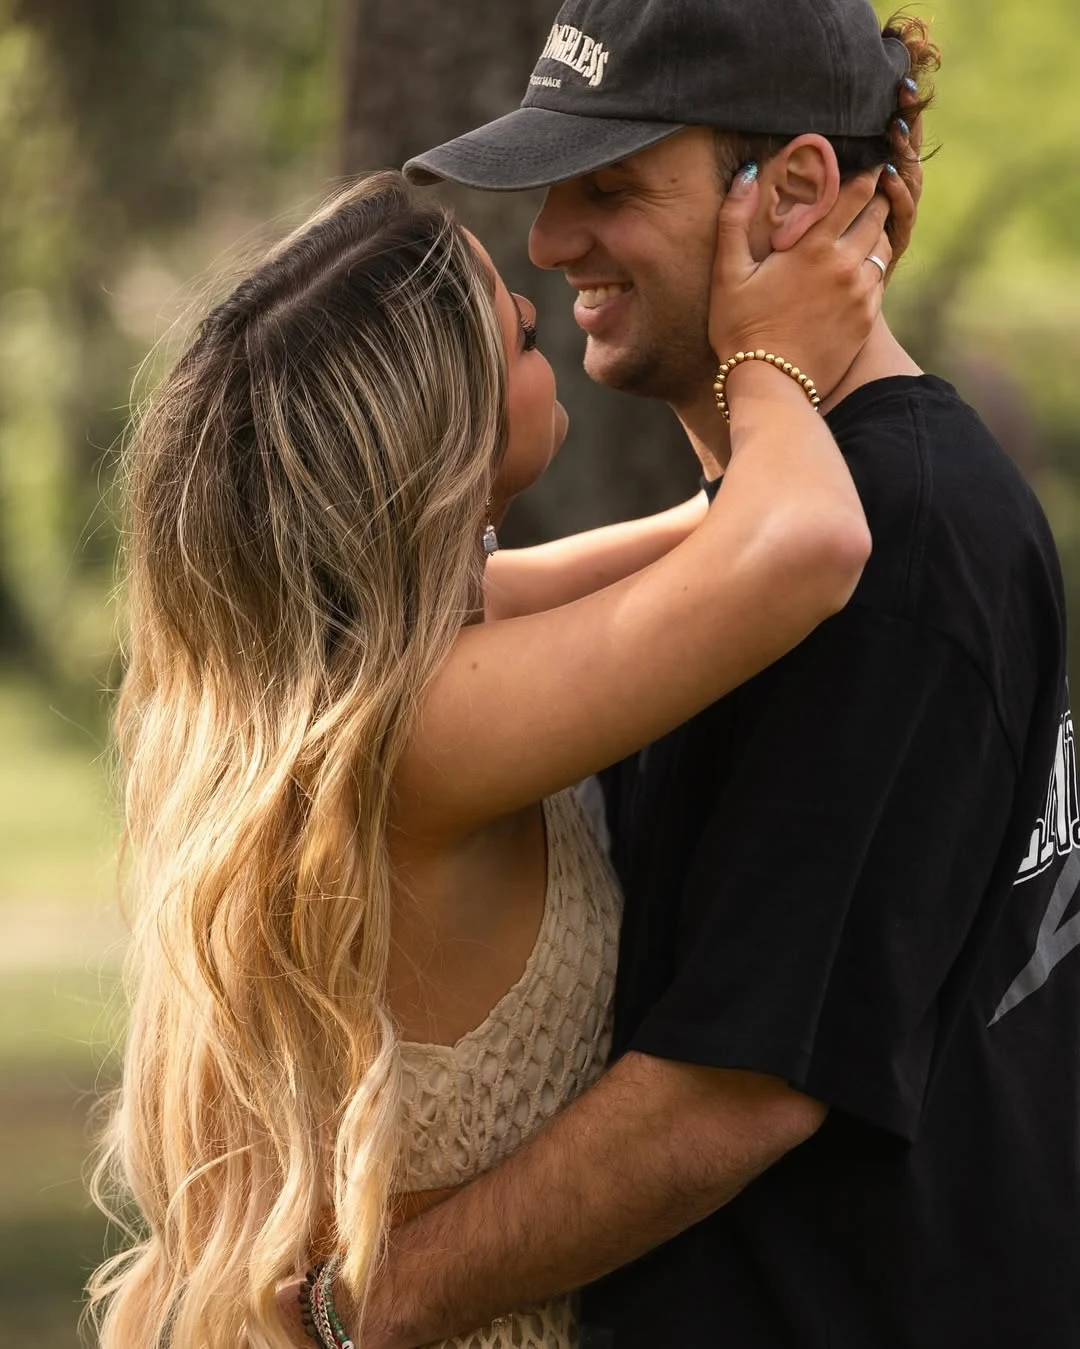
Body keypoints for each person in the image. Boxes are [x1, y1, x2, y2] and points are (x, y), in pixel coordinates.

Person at [296, 1, 1077, 1347]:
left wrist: (357, 1308)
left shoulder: (894, 542)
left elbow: (734, 1088)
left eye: (610, 188)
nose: (549, 243)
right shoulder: (774, 543)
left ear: (793, 193)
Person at [86, 153, 899, 1348]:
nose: (534, 299)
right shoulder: (420, 729)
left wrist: (809, 287)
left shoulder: (367, 663)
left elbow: (719, 533)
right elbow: (804, 540)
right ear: (441, 438)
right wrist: (765, 355)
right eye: (512, 338)